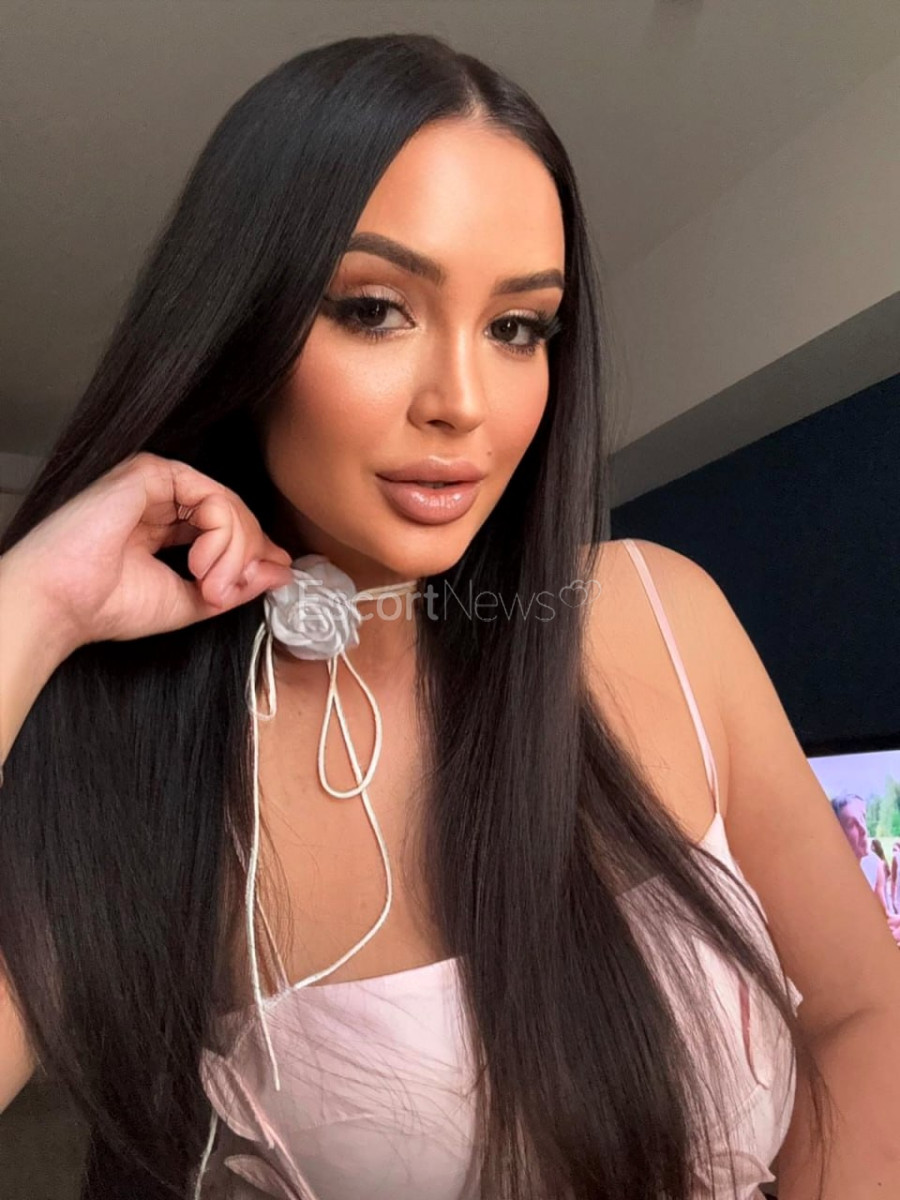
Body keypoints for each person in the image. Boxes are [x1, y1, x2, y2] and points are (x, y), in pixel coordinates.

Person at [1, 32, 898, 1200]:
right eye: (376, 309)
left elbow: (865, 1012)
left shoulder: (658, 610)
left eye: (517, 327)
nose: (463, 404)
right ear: (241, 330)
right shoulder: (128, 761)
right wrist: (31, 603)